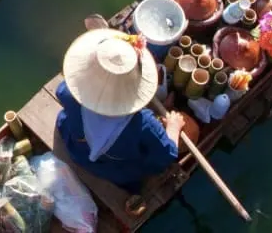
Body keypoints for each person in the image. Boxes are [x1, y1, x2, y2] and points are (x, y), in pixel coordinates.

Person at [55, 28, 186, 194]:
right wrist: (173, 127)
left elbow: (61, 92)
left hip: (78, 147)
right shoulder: (144, 124)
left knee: (67, 120)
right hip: (114, 168)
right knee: (141, 167)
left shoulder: (68, 92)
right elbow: (166, 155)